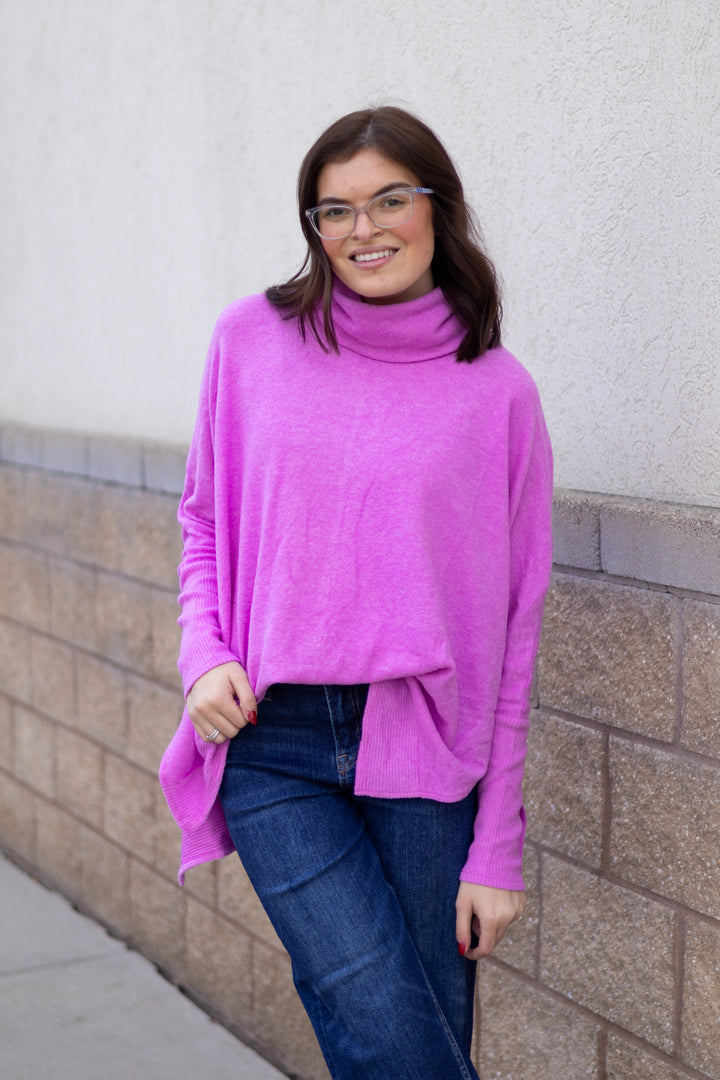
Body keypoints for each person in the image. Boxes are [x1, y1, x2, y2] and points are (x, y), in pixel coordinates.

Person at [160, 105, 553, 1080]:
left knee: (416, 1040)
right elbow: (204, 521)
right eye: (333, 210)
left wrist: (496, 845)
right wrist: (204, 655)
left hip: (425, 755)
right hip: (275, 745)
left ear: (438, 208)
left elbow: (517, 628)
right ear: (313, 227)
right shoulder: (252, 342)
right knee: (386, 1029)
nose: (362, 230)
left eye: (388, 200)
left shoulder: (497, 394)